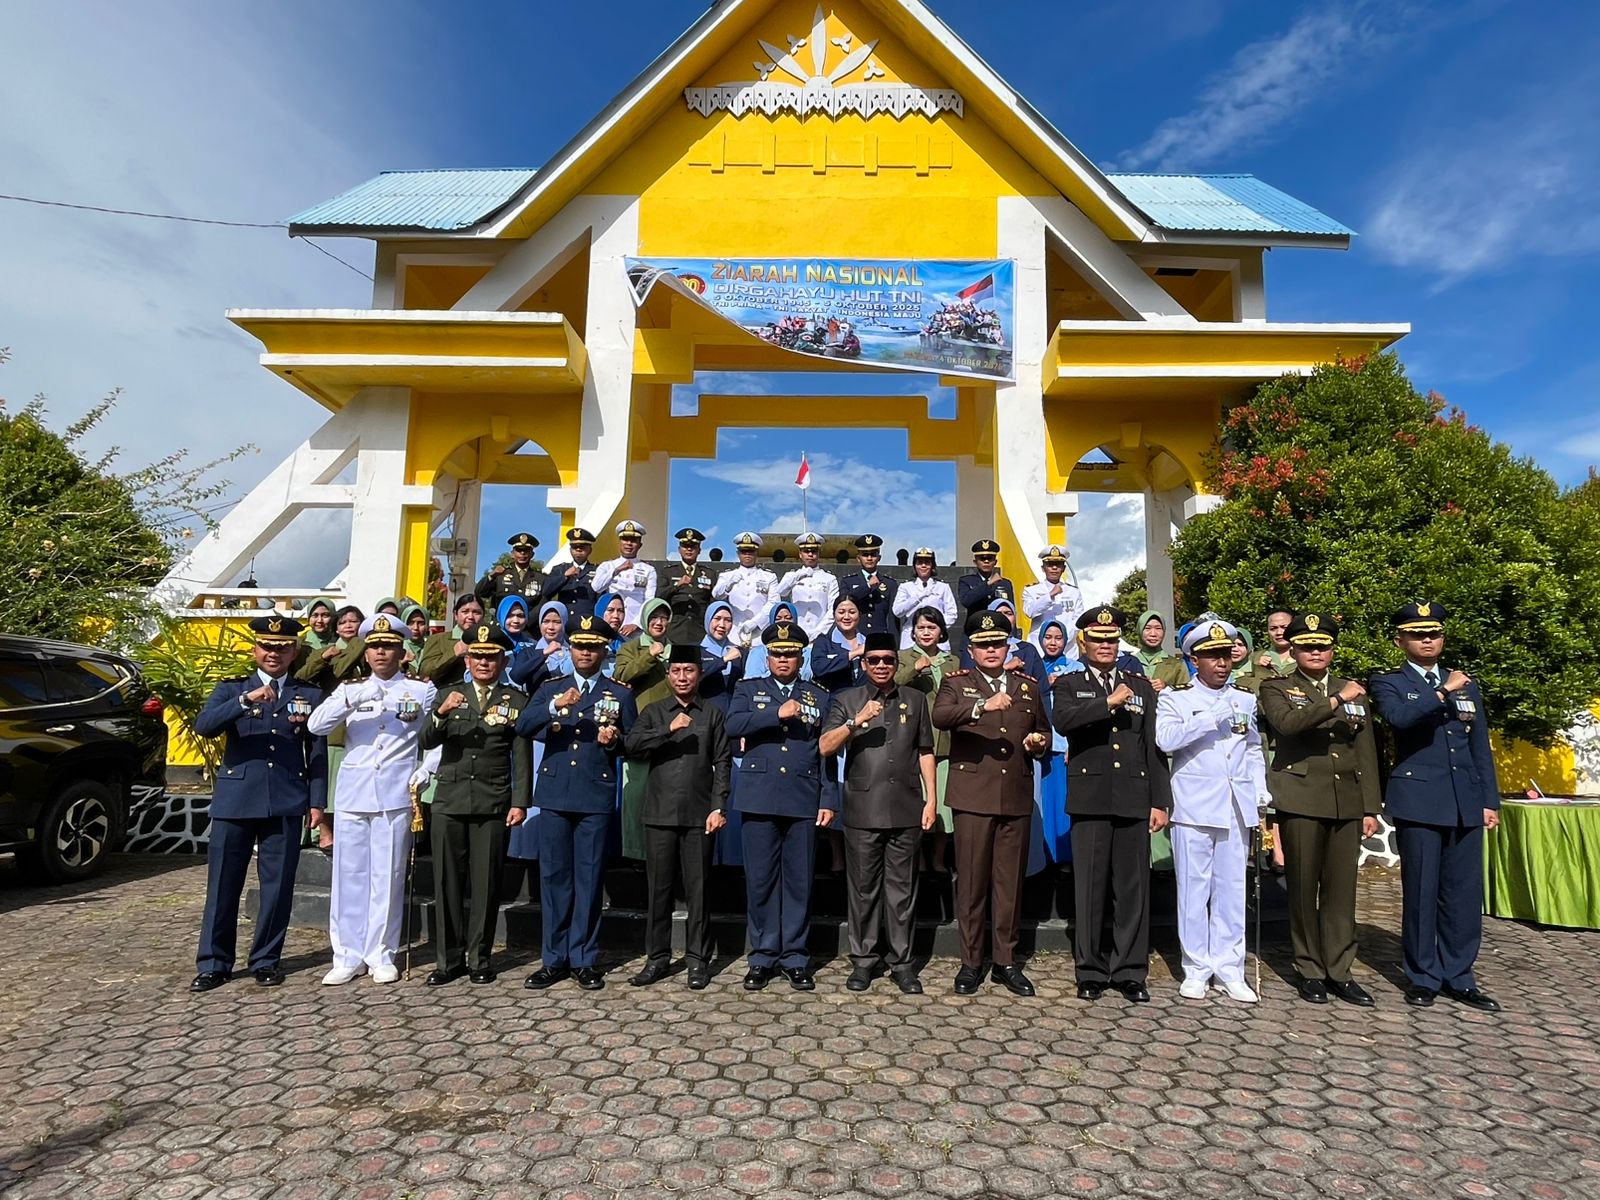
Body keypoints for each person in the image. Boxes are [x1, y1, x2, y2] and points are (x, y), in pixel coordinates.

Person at [1370, 601, 1501, 1012]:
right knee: (1422, 892)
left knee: (1463, 895)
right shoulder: (1388, 681)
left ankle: (1460, 976)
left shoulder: (1466, 682)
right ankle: (1423, 975)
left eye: (1435, 633)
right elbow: (1400, 719)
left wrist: (1488, 800)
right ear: (1400, 640)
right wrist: (1442, 691)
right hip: (1420, 800)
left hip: (1465, 800)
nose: (1428, 640)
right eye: (1418, 634)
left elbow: (1479, 746)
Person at [190, 616, 328, 992]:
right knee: (223, 885)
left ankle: (266, 959)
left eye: (283, 648)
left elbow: (317, 753)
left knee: (278, 886)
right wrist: (243, 701)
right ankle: (214, 963)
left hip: (285, 799)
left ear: (294, 651)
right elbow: (205, 725)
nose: (274, 653)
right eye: (268, 646)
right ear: (255, 650)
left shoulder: (310, 695)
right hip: (236, 800)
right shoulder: (232, 688)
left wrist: (317, 802)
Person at [1257, 613, 1382, 1006]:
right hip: (1301, 797)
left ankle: (1340, 970)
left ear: (1332, 649)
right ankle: (1309, 968)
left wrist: (1370, 807)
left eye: (1323, 645)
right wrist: (1333, 701)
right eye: (1307, 645)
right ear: (1292, 649)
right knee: (1303, 886)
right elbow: (1288, 725)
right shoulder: (1276, 687)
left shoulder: (1352, 690)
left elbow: (1365, 750)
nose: (1316, 651)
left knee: (1341, 892)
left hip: (1345, 800)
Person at [306, 614, 437, 985]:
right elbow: (317, 725)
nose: (381, 652)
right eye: (375, 646)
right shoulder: (349, 689)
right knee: (349, 876)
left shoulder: (420, 690)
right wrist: (352, 699)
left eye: (389, 646)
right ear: (366, 652)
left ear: (401, 650)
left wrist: (426, 770)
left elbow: (437, 736)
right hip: (352, 794)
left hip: (396, 794)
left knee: (389, 876)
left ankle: (382, 952)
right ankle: (346, 954)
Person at [1051, 607, 1171, 1002]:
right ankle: (1090, 970)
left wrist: (1159, 801)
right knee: (1090, 889)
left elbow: (1151, 746)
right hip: (1091, 798)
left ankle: (1130, 971)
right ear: (1083, 642)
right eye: (1098, 639)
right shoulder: (1069, 683)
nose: (1106, 645)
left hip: (1134, 797)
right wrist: (1108, 703)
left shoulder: (1141, 686)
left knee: (1132, 888)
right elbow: (1064, 722)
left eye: (1112, 639)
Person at [932, 609, 1051, 998]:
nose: (991, 650)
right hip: (973, 795)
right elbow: (941, 716)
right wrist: (983, 706)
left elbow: (1041, 730)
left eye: (998, 644)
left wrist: (1038, 743)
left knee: (1008, 883)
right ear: (971, 649)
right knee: (971, 882)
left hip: (1015, 795)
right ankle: (970, 961)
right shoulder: (957, 683)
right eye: (983, 645)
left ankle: (1005, 961)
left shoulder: (1027, 685)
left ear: (1007, 646)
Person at [518, 613, 638, 991]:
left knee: (588, 879)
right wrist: (555, 707)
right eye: (580, 646)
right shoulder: (552, 687)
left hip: (594, 794)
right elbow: (522, 726)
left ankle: (585, 958)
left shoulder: (619, 693)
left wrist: (614, 741)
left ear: (605, 651)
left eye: (593, 647)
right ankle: (553, 959)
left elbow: (633, 742)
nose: (585, 652)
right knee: (554, 878)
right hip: (555, 793)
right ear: (569, 649)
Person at [1156, 620, 1269, 1004]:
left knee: (1233, 888)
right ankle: (1196, 967)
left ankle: (1230, 967)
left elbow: (1252, 747)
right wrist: (1208, 718)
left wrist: (1260, 789)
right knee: (1194, 888)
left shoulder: (1245, 698)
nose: (1222, 663)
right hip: (1195, 805)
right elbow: (1166, 739)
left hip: (1236, 805)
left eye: (1226, 655)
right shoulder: (1176, 698)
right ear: (1194, 659)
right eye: (1212, 656)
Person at [820, 632, 937, 994]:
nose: (882, 665)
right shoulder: (847, 699)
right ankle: (864, 961)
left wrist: (931, 799)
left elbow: (925, 751)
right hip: (862, 810)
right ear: (864, 662)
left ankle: (902, 963)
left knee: (902, 891)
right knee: (864, 890)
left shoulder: (915, 699)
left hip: (905, 807)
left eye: (889, 660)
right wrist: (856, 721)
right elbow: (825, 747)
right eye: (875, 660)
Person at [417, 622, 531, 985]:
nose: (484, 663)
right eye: (478, 656)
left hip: (493, 801)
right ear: (467, 660)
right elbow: (426, 740)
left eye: (491, 657)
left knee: (486, 884)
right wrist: (442, 713)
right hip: (450, 800)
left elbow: (522, 755)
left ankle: (480, 959)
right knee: (448, 881)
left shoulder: (516, 700)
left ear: (502, 661)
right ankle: (448, 961)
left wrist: (520, 801)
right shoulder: (447, 694)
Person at [725, 621, 836, 991]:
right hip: (759, 796)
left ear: (801, 655)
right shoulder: (748, 689)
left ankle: (795, 956)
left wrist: (828, 797)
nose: (783, 659)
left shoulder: (818, 695)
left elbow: (826, 752)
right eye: (776, 653)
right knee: (760, 880)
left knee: (799, 882)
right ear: (767, 656)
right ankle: (762, 955)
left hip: (803, 796)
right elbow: (732, 724)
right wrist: (776, 714)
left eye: (790, 653)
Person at [622, 644, 733, 990]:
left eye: (689, 671)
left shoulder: (712, 713)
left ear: (699, 674)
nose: (682, 677)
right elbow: (632, 747)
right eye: (676, 671)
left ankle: (698, 959)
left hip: (700, 816)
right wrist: (667, 730)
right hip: (659, 814)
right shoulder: (654, 711)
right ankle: (657, 958)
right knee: (659, 890)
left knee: (699, 890)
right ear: (668, 675)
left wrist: (719, 806)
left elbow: (723, 763)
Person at [895, 607, 960, 875]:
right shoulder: (902, 657)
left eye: (931, 628)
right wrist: (914, 669)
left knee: (943, 802)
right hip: (914, 738)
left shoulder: (952, 661)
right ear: (913, 631)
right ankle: (918, 858)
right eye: (921, 627)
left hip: (944, 739)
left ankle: (938, 858)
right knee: (919, 801)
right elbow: (894, 682)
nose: (925, 632)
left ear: (941, 631)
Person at [614, 598, 675, 860]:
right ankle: (636, 853)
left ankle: (665, 855)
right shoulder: (631, 648)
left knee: (668, 796)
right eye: (654, 618)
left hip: (672, 729)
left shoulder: (676, 650)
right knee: (636, 796)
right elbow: (622, 676)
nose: (659, 623)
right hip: (639, 729)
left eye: (663, 618)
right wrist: (649, 656)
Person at [592, 519, 657, 636]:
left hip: (636, 627)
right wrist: (616, 571)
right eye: (625, 539)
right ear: (620, 542)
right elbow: (596, 587)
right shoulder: (608, 566)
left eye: (633, 540)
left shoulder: (648, 570)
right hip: (611, 623)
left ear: (640, 545)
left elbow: (649, 600)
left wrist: (636, 624)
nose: (629, 543)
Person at [711, 532, 779, 643]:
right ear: (738, 553)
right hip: (733, 633)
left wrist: (756, 622)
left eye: (751, 551)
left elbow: (774, 603)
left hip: (760, 633)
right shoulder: (727, 576)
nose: (747, 554)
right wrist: (729, 584)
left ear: (757, 552)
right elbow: (716, 594)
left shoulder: (769, 576)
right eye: (743, 551)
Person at [959, 598, 1045, 681]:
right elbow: (968, 681)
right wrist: (1006, 668)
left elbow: (1042, 689)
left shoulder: (1028, 649)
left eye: (1008, 613)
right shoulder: (975, 647)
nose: (991, 649)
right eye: (999, 613)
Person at [774, 531, 840, 639]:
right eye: (806, 551)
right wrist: (798, 575)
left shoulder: (829, 578)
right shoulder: (792, 575)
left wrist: (819, 631)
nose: (810, 554)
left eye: (814, 551)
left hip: (821, 633)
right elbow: (781, 592)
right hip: (796, 631)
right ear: (800, 554)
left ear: (819, 554)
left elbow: (833, 608)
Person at [658, 527, 718, 645]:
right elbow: (659, 597)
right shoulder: (668, 572)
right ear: (679, 549)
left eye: (693, 547)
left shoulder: (709, 574)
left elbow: (713, 602)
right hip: (674, 632)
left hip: (700, 632)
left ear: (699, 550)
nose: (689, 549)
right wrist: (677, 585)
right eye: (685, 546)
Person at [1021, 546, 1084, 657]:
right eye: (1050, 565)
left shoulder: (1073, 592)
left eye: (1058, 565)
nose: (1054, 568)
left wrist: (1063, 638)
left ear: (1063, 569)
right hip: (1039, 649)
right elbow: (1030, 612)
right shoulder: (1031, 590)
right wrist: (1049, 596)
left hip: (1067, 650)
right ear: (1043, 568)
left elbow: (1078, 620)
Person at [891, 548, 957, 648]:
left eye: (927, 563)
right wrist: (917, 597)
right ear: (914, 566)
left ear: (932, 566)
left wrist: (935, 627)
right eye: (919, 563)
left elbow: (952, 614)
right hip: (911, 638)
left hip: (937, 640)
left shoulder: (943, 587)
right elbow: (897, 611)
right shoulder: (905, 587)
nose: (923, 566)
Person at [416, 593, 486, 688]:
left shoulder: (488, 642)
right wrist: (453, 653)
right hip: (446, 697)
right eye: (465, 612)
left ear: (483, 616)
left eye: (476, 612)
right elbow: (425, 672)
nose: (470, 617)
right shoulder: (438, 640)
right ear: (456, 615)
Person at [840, 534, 900, 641]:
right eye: (865, 555)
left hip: (881, 636)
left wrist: (893, 642)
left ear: (879, 558)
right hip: (856, 636)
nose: (869, 558)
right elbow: (845, 601)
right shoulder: (848, 582)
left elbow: (892, 617)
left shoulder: (890, 584)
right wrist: (867, 586)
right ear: (858, 558)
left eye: (873, 555)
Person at [956, 539, 1016, 631]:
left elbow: (1010, 610)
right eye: (982, 558)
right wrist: (988, 584)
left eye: (990, 558)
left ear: (995, 562)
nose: (986, 561)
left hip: (999, 630)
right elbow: (966, 601)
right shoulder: (966, 581)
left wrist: (1013, 635)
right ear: (975, 562)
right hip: (975, 630)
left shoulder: (1005, 583)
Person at [540, 527, 599, 617]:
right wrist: (564, 577)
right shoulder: (560, 569)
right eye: (575, 547)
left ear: (590, 550)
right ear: (570, 550)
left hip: (587, 622)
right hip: (564, 620)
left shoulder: (597, 570)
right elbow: (546, 591)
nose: (578, 550)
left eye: (582, 547)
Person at [698, 600, 745, 709]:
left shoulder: (739, 652)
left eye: (728, 620)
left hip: (732, 714)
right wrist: (724, 660)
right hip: (704, 714)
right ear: (708, 620)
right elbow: (696, 676)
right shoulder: (696, 650)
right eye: (717, 619)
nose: (722, 625)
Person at [476, 532, 543, 608]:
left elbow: (541, 605)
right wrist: (491, 576)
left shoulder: (540, 579)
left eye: (526, 550)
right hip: (502, 619)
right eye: (519, 550)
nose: (522, 553)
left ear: (532, 554)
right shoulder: (500, 575)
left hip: (530, 619)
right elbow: (480, 593)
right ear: (512, 554)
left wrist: (528, 619)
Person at [1257, 610, 1295, 677]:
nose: (1279, 633)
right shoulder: (1255, 658)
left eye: (1284, 627)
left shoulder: (1306, 656)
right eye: (1273, 629)